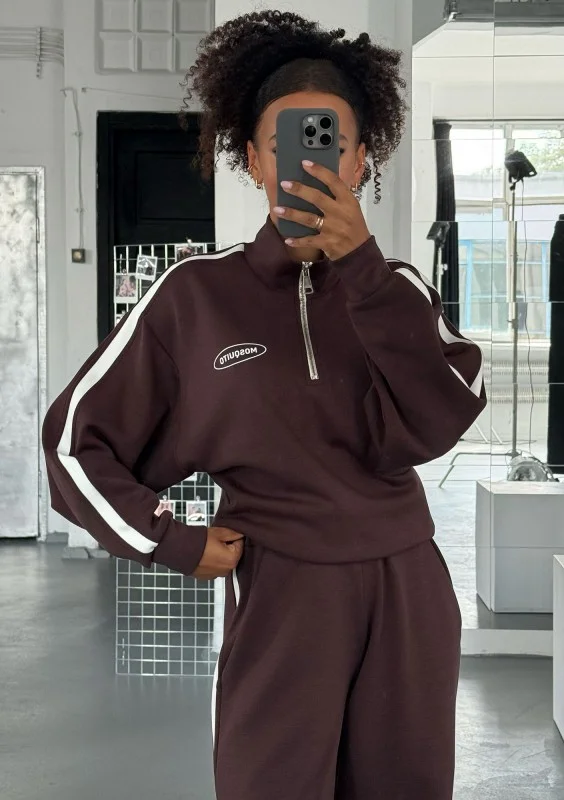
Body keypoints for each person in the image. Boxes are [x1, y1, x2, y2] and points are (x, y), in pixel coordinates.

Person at [42, 10, 486, 800]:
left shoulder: (397, 289)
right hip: (279, 585)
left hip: (407, 586)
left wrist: (361, 268)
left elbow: (445, 414)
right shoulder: (195, 296)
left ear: (361, 158)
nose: (309, 162)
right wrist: (168, 539)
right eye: (285, 143)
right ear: (252, 158)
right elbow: (74, 442)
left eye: (331, 142)